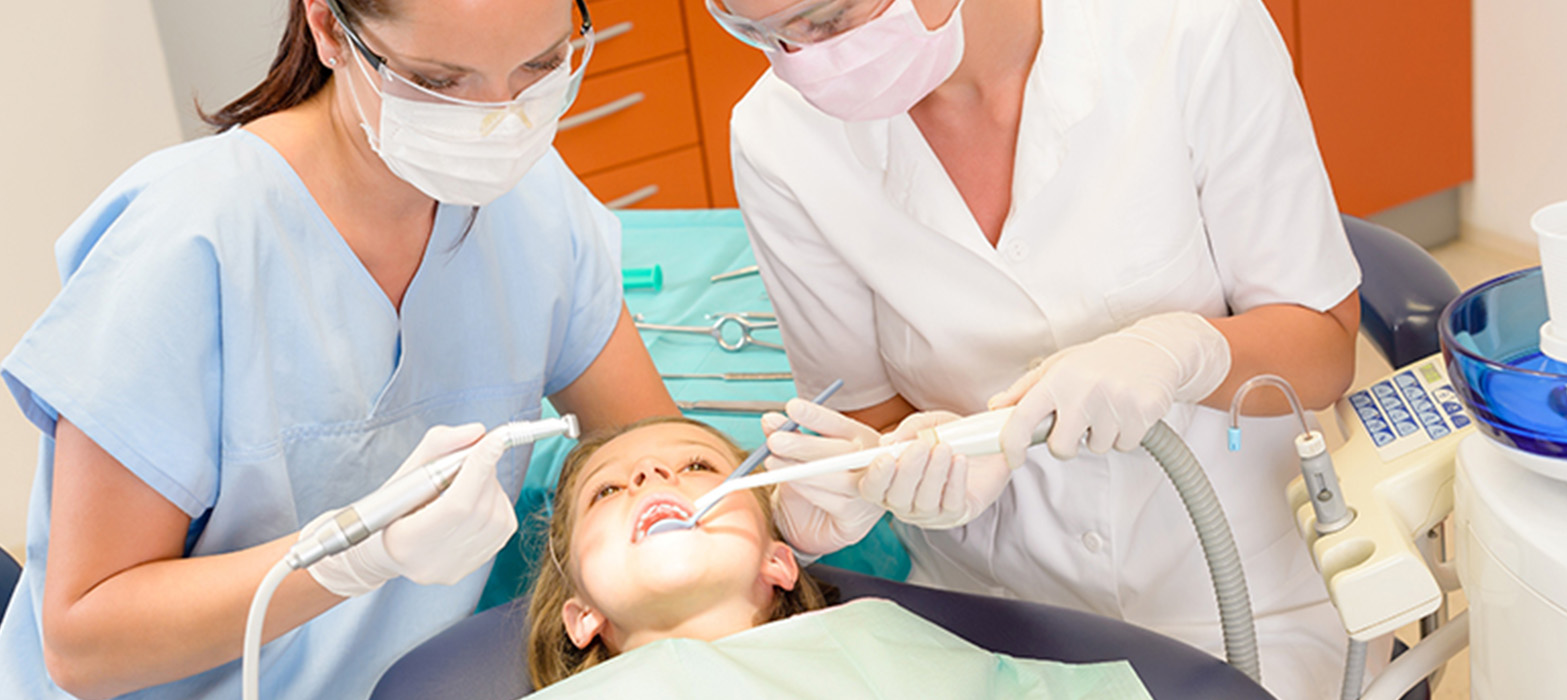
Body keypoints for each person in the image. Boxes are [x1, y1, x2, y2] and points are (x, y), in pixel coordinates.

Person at [0, 0, 675, 697]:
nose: (499, 118)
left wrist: (777, 503)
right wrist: (351, 557)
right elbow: (85, 643)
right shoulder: (188, 243)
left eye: (539, 67)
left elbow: (656, 449)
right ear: (328, 29)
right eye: (441, 83)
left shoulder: (535, 204)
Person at [703, 0, 1372, 697]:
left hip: (1243, 598)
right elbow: (865, 418)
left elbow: (1323, 351)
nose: (804, 62)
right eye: (758, 33)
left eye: (829, 20)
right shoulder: (777, 135)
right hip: (989, 616)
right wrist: (904, 466)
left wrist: (1184, 351)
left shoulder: (1190, 25)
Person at [524, 417, 1148, 698]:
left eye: (697, 466)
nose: (653, 474)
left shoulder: (875, 641)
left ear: (778, 561)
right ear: (580, 616)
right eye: (607, 490)